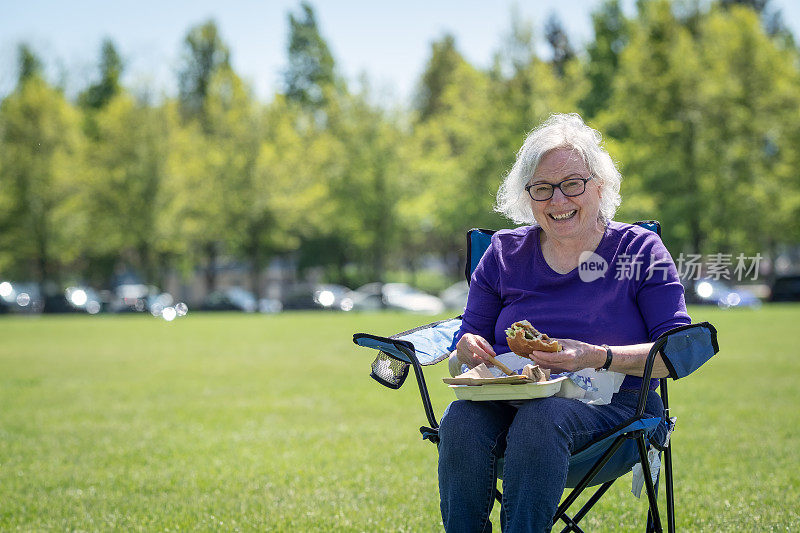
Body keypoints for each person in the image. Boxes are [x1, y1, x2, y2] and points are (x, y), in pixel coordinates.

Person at [437, 113, 690, 532]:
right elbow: (470, 335)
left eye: (572, 184)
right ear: (527, 196)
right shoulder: (502, 254)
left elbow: (677, 352)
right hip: (510, 400)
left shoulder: (639, 250)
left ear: (600, 186)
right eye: (542, 189)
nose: (558, 201)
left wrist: (595, 356)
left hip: (617, 407)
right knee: (459, 420)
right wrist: (467, 348)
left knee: (544, 418)